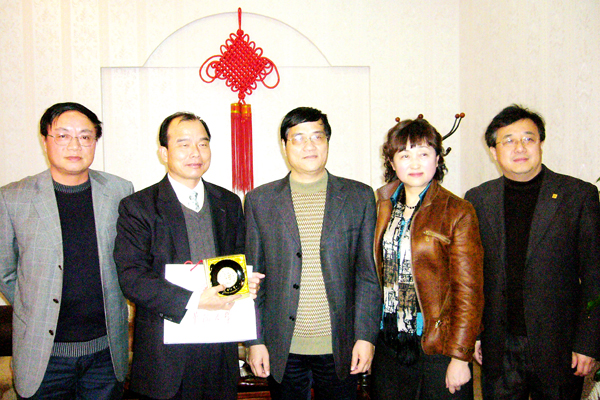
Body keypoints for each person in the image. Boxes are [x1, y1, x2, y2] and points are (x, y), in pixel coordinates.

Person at [113, 111, 263, 400]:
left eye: (203, 143)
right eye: (184, 144)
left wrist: (246, 282)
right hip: (165, 358)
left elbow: (239, 262)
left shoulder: (229, 202)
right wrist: (195, 300)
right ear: (164, 152)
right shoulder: (139, 207)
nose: (196, 152)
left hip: (220, 351)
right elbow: (132, 278)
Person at [245, 106, 381, 400]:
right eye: (298, 138)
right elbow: (253, 280)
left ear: (327, 142)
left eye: (317, 136)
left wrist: (366, 336)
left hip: (341, 345)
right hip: (282, 347)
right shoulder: (259, 201)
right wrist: (254, 341)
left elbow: (368, 276)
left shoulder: (359, 197)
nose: (309, 145)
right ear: (284, 145)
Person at [465, 104, 600, 400]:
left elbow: (595, 275)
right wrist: (475, 334)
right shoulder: (478, 199)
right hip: (499, 346)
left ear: (540, 143)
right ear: (493, 151)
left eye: (528, 138)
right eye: (509, 140)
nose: (520, 147)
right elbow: (472, 276)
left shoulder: (578, 196)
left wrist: (588, 343)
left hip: (559, 347)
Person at [0, 102, 133, 399]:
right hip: (42, 356)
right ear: (45, 139)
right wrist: (36, 303)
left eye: (85, 136)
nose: (75, 145)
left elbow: (129, 260)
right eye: (63, 135)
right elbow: (4, 271)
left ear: (95, 141)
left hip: (105, 355)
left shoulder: (119, 191)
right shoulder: (12, 198)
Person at [371, 116, 483, 399]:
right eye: (404, 155)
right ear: (392, 163)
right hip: (389, 341)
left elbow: (469, 290)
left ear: (437, 159)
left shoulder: (458, 211)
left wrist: (460, 356)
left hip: (438, 344)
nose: (415, 163)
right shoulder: (382, 206)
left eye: (423, 153)